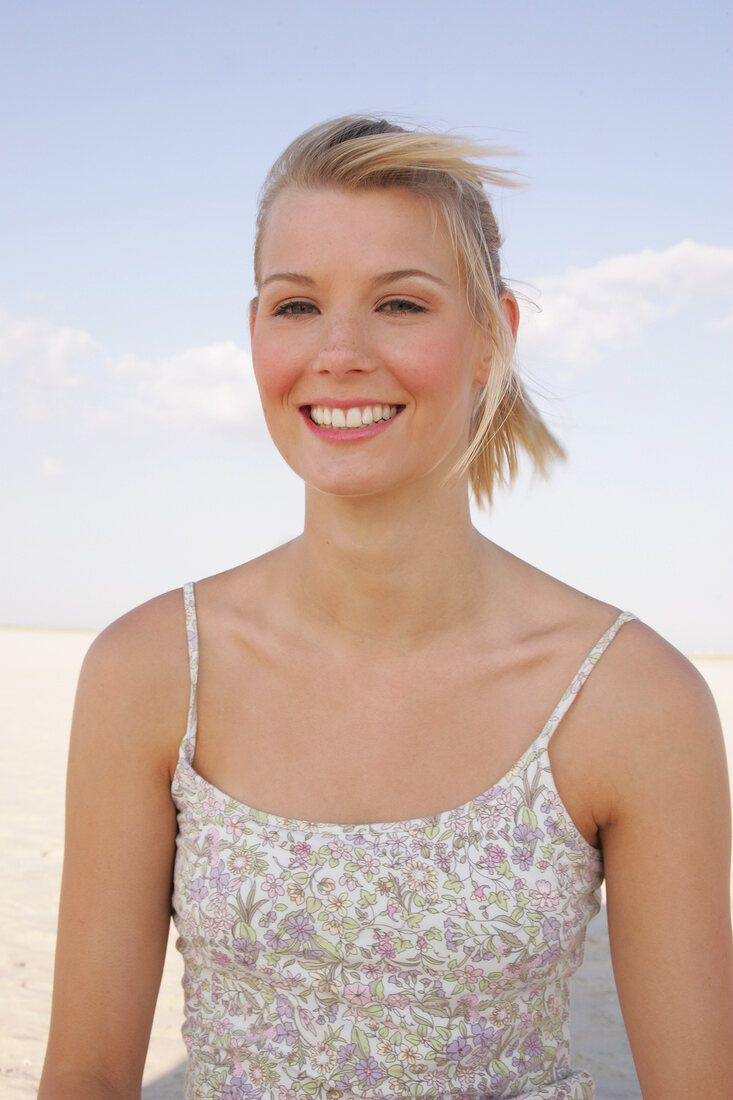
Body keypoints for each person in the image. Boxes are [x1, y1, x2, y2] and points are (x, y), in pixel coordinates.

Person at [39, 116, 733, 1100]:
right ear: (253, 335)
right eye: (296, 305)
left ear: (494, 337)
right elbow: (83, 1074)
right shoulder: (148, 670)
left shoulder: (633, 700)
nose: (339, 351)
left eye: (400, 303)